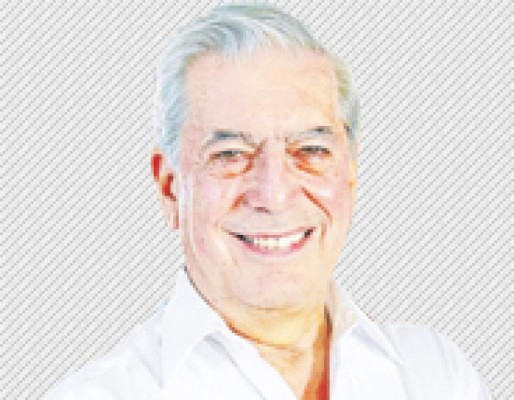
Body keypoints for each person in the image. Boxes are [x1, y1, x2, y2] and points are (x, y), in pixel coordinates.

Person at [44, 4, 491, 399]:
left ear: (351, 172)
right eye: (230, 154)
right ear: (170, 187)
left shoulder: (437, 376)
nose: (274, 195)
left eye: (310, 150)